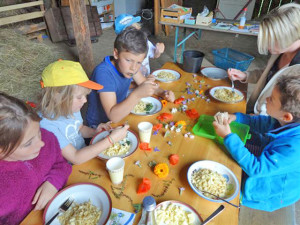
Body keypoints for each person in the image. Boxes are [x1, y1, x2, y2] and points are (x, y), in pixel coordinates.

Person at [213, 65, 300, 211]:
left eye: (271, 99)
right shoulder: (284, 120)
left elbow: (257, 168)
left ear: (286, 116)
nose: (266, 99)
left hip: (269, 190)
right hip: (267, 163)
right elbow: (261, 122)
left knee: (226, 195)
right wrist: (236, 117)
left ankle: (241, 198)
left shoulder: (294, 149)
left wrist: (228, 136)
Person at [39, 60, 129, 165]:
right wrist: (111, 140)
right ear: (57, 96)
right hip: (69, 169)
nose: (85, 101)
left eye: (85, 95)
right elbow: (75, 158)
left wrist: (95, 132)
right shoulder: (46, 124)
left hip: (85, 156)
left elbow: (79, 129)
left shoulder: (71, 107)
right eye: (79, 97)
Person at [0, 92, 72, 224]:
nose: (41, 143)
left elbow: (61, 165)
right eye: (28, 143)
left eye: (38, 131)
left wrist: (53, 183)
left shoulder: (47, 138)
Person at [86, 27, 175, 126]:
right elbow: (113, 116)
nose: (134, 68)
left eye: (139, 62)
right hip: (101, 125)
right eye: (128, 60)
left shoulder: (130, 68)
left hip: (122, 114)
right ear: (116, 53)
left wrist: (163, 93)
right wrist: (137, 94)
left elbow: (143, 83)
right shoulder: (103, 73)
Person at [228, 3, 300, 115]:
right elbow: (269, 74)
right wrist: (246, 75)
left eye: (271, 41)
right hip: (254, 111)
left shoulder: (297, 70)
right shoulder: (281, 51)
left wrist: (261, 119)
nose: (267, 46)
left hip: (268, 123)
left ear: (288, 38)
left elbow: (293, 116)